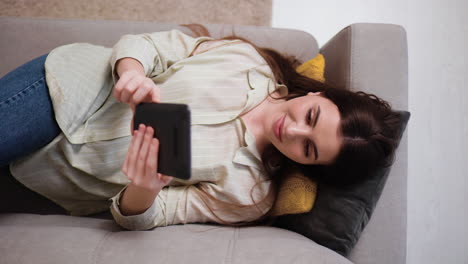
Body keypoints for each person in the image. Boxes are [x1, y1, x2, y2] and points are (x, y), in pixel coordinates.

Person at [0, 25, 403, 230]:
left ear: (309, 167)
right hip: (67, 91)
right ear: (319, 94)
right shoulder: (245, 61)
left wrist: (144, 188)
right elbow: (147, 46)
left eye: (308, 149)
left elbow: (150, 215)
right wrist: (133, 72)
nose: (293, 131)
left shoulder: (250, 195)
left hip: (60, 181)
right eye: (311, 117)